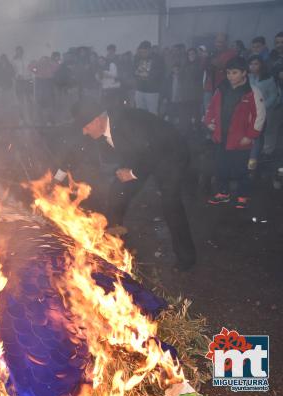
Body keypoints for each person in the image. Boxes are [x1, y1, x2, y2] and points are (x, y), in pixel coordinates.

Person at [72, 98, 197, 270]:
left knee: (171, 203)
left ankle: (186, 259)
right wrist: (59, 175)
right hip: (144, 155)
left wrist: (131, 173)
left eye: (86, 128)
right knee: (118, 191)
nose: (85, 132)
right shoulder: (103, 127)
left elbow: (152, 151)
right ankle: (112, 241)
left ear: (97, 121)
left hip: (170, 154)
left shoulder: (127, 124)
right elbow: (79, 150)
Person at [204, 57, 266, 209]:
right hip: (221, 136)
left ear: (244, 73)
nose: (230, 76)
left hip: (240, 140)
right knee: (221, 167)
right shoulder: (221, 88)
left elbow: (260, 116)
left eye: (235, 73)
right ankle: (223, 194)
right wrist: (209, 122)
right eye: (228, 73)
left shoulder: (252, 92)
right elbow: (211, 107)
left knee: (241, 169)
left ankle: (242, 195)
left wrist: (250, 136)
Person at [247, 55, 279, 167]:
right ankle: (254, 153)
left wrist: (262, 106)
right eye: (251, 64)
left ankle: (265, 152)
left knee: (264, 131)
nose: (253, 66)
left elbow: (273, 96)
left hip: (265, 110)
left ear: (261, 65)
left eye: (256, 64)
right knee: (253, 132)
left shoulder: (268, 79)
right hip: (250, 110)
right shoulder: (248, 77)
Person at [133, 40, 164, 114]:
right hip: (140, 89)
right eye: (141, 52)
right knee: (140, 112)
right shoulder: (137, 58)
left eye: (145, 51)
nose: (143, 53)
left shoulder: (157, 59)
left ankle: (153, 125)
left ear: (149, 50)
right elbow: (133, 70)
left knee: (152, 113)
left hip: (152, 91)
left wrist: (147, 75)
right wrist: (136, 73)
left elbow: (159, 73)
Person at [12, 46, 33, 125]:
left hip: (27, 81)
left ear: (22, 51)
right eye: (17, 51)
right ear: (16, 52)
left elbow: (31, 69)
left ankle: (30, 119)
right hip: (19, 82)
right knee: (20, 101)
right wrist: (16, 76)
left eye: (20, 51)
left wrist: (30, 77)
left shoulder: (27, 60)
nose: (19, 52)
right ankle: (22, 119)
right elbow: (13, 72)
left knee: (29, 100)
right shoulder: (14, 61)